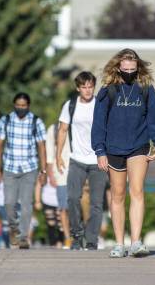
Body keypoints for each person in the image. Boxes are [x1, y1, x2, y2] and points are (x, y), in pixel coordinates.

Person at [92, 49, 155, 258]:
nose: (128, 73)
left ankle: (135, 242)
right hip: (113, 148)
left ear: (138, 68)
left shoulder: (145, 88)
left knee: (137, 191)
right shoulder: (108, 90)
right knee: (117, 195)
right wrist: (99, 150)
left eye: (132, 70)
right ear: (117, 67)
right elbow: (98, 122)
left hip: (138, 145)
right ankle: (119, 244)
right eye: (125, 69)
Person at [57, 71, 107, 251]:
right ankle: (77, 235)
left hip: (98, 160)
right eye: (84, 87)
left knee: (96, 202)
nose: (87, 90)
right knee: (72, 198)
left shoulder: (100, 105)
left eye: (90, 86)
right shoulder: (70, 105)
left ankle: (92, 239)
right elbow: (62, 130)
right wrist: (58, 155)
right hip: (76, 159)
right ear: (78, 88)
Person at [0, 92, 47, 249]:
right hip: (9, 168)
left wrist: (43, 171)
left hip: (29, 169)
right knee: (9, 203)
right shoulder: (6, 120)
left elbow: (42, 147)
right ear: (14, 105)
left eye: (24, 106)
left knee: (26, 204)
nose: (20, 108)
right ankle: (13, 228)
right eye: (18, 105)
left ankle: (23, 237)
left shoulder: (36, 122)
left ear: (28, 106)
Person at [46, 123, 71, 249]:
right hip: (60, 173)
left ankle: (80, 235)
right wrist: (50, 174)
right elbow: (49, 153)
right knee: (63, 208)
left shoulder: (77, 125)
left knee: (77, 207)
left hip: (78, 171)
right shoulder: (53, 129)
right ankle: (67, 238)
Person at [34, 177, 64, 248]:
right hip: (47, 200)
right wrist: (37, 201)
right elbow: (38, 185)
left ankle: (60, 241)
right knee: (51, 223)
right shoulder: (44, 171)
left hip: (61, 200)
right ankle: (52, 243)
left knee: (61, 224)